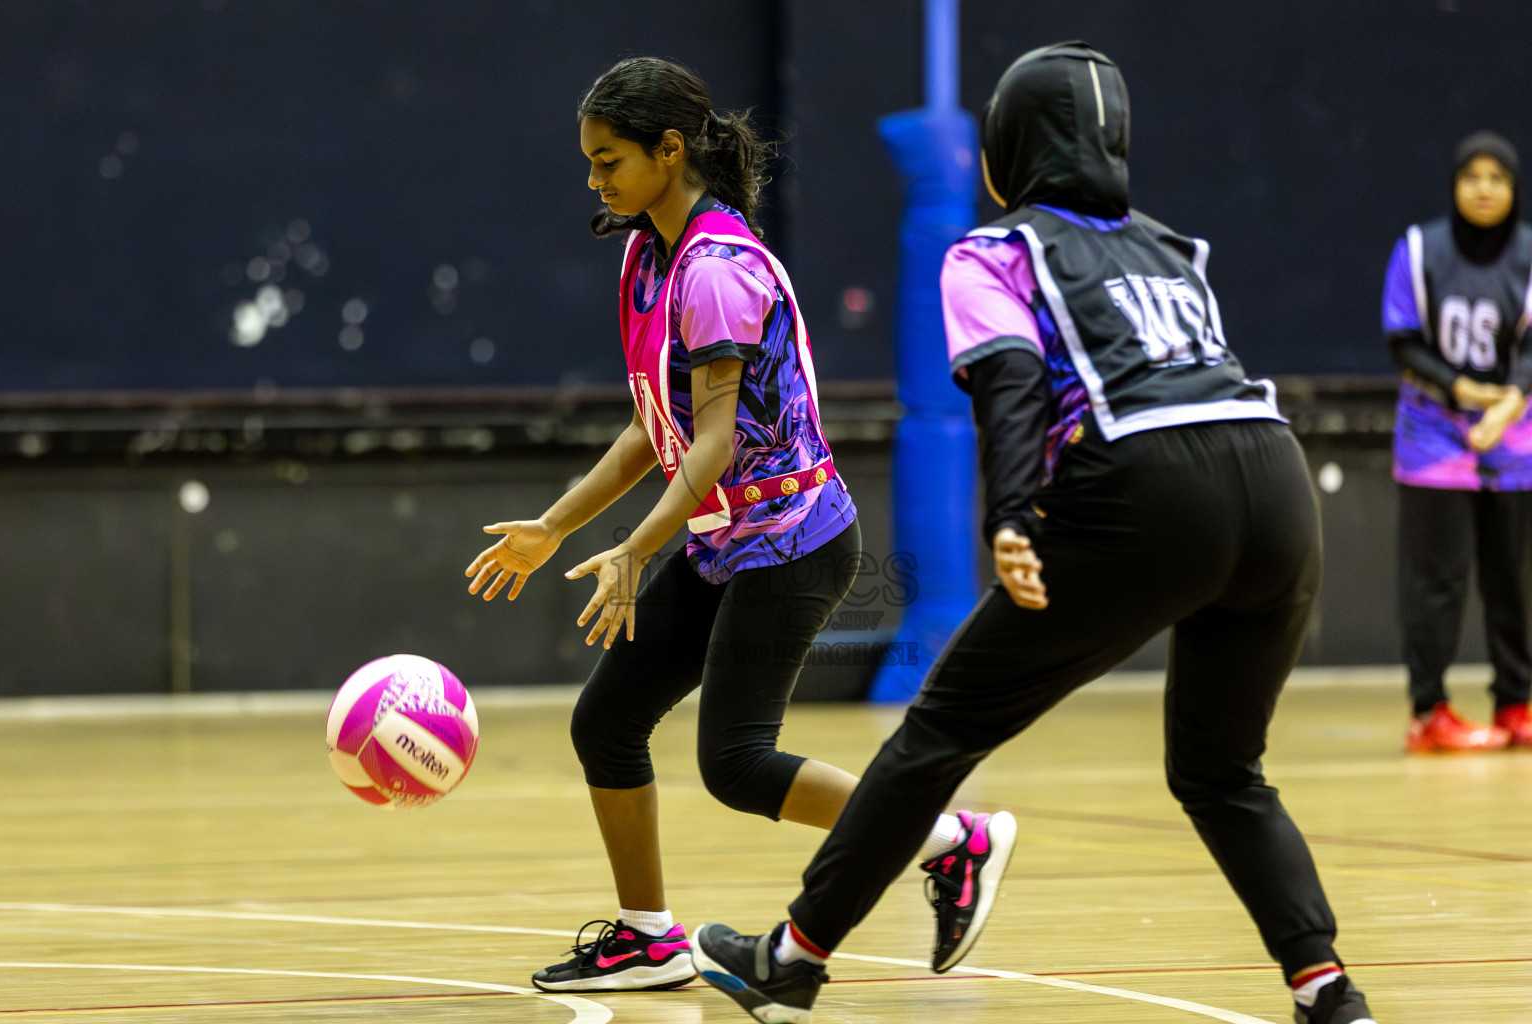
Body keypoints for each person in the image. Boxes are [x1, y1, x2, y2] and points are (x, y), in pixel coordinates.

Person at [692, 42, 1377, 1024]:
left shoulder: (992, 250)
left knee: (938, 731)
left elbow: (1012, 388)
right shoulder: (1174, 248)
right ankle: (1329, 991)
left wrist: (1011, 516)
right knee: (1224, 769)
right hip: (1278, 486)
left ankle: (791, 959)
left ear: (1004, 149)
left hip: (1146, 491)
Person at [464, 56, 1002, 993]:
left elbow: (710, 442)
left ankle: (951, 838)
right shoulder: (645, 256)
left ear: (669, 152)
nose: (594, 182)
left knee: (738, 764)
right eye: (589, 163)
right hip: (725, 541)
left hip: (794, 543)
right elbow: (652, 427)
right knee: (609, 721)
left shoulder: (718, 270)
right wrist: (554, 527)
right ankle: (648, 938)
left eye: (609, 161)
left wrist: (636, 547)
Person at [1382, 130, 1532, 753]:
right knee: (1436, 580)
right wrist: (1462, 390)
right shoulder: (1420, 250)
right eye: (1473, 176)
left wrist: (1510, 404)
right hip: (1433, 436)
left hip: (1514, 434)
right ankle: (1429, 710)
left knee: (1514, 578)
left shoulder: (1528, 254)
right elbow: (1403, 342)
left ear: (1514, 188)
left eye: (1497, 178)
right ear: (1454, 185)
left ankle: (1517, 704)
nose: (1485, 189)